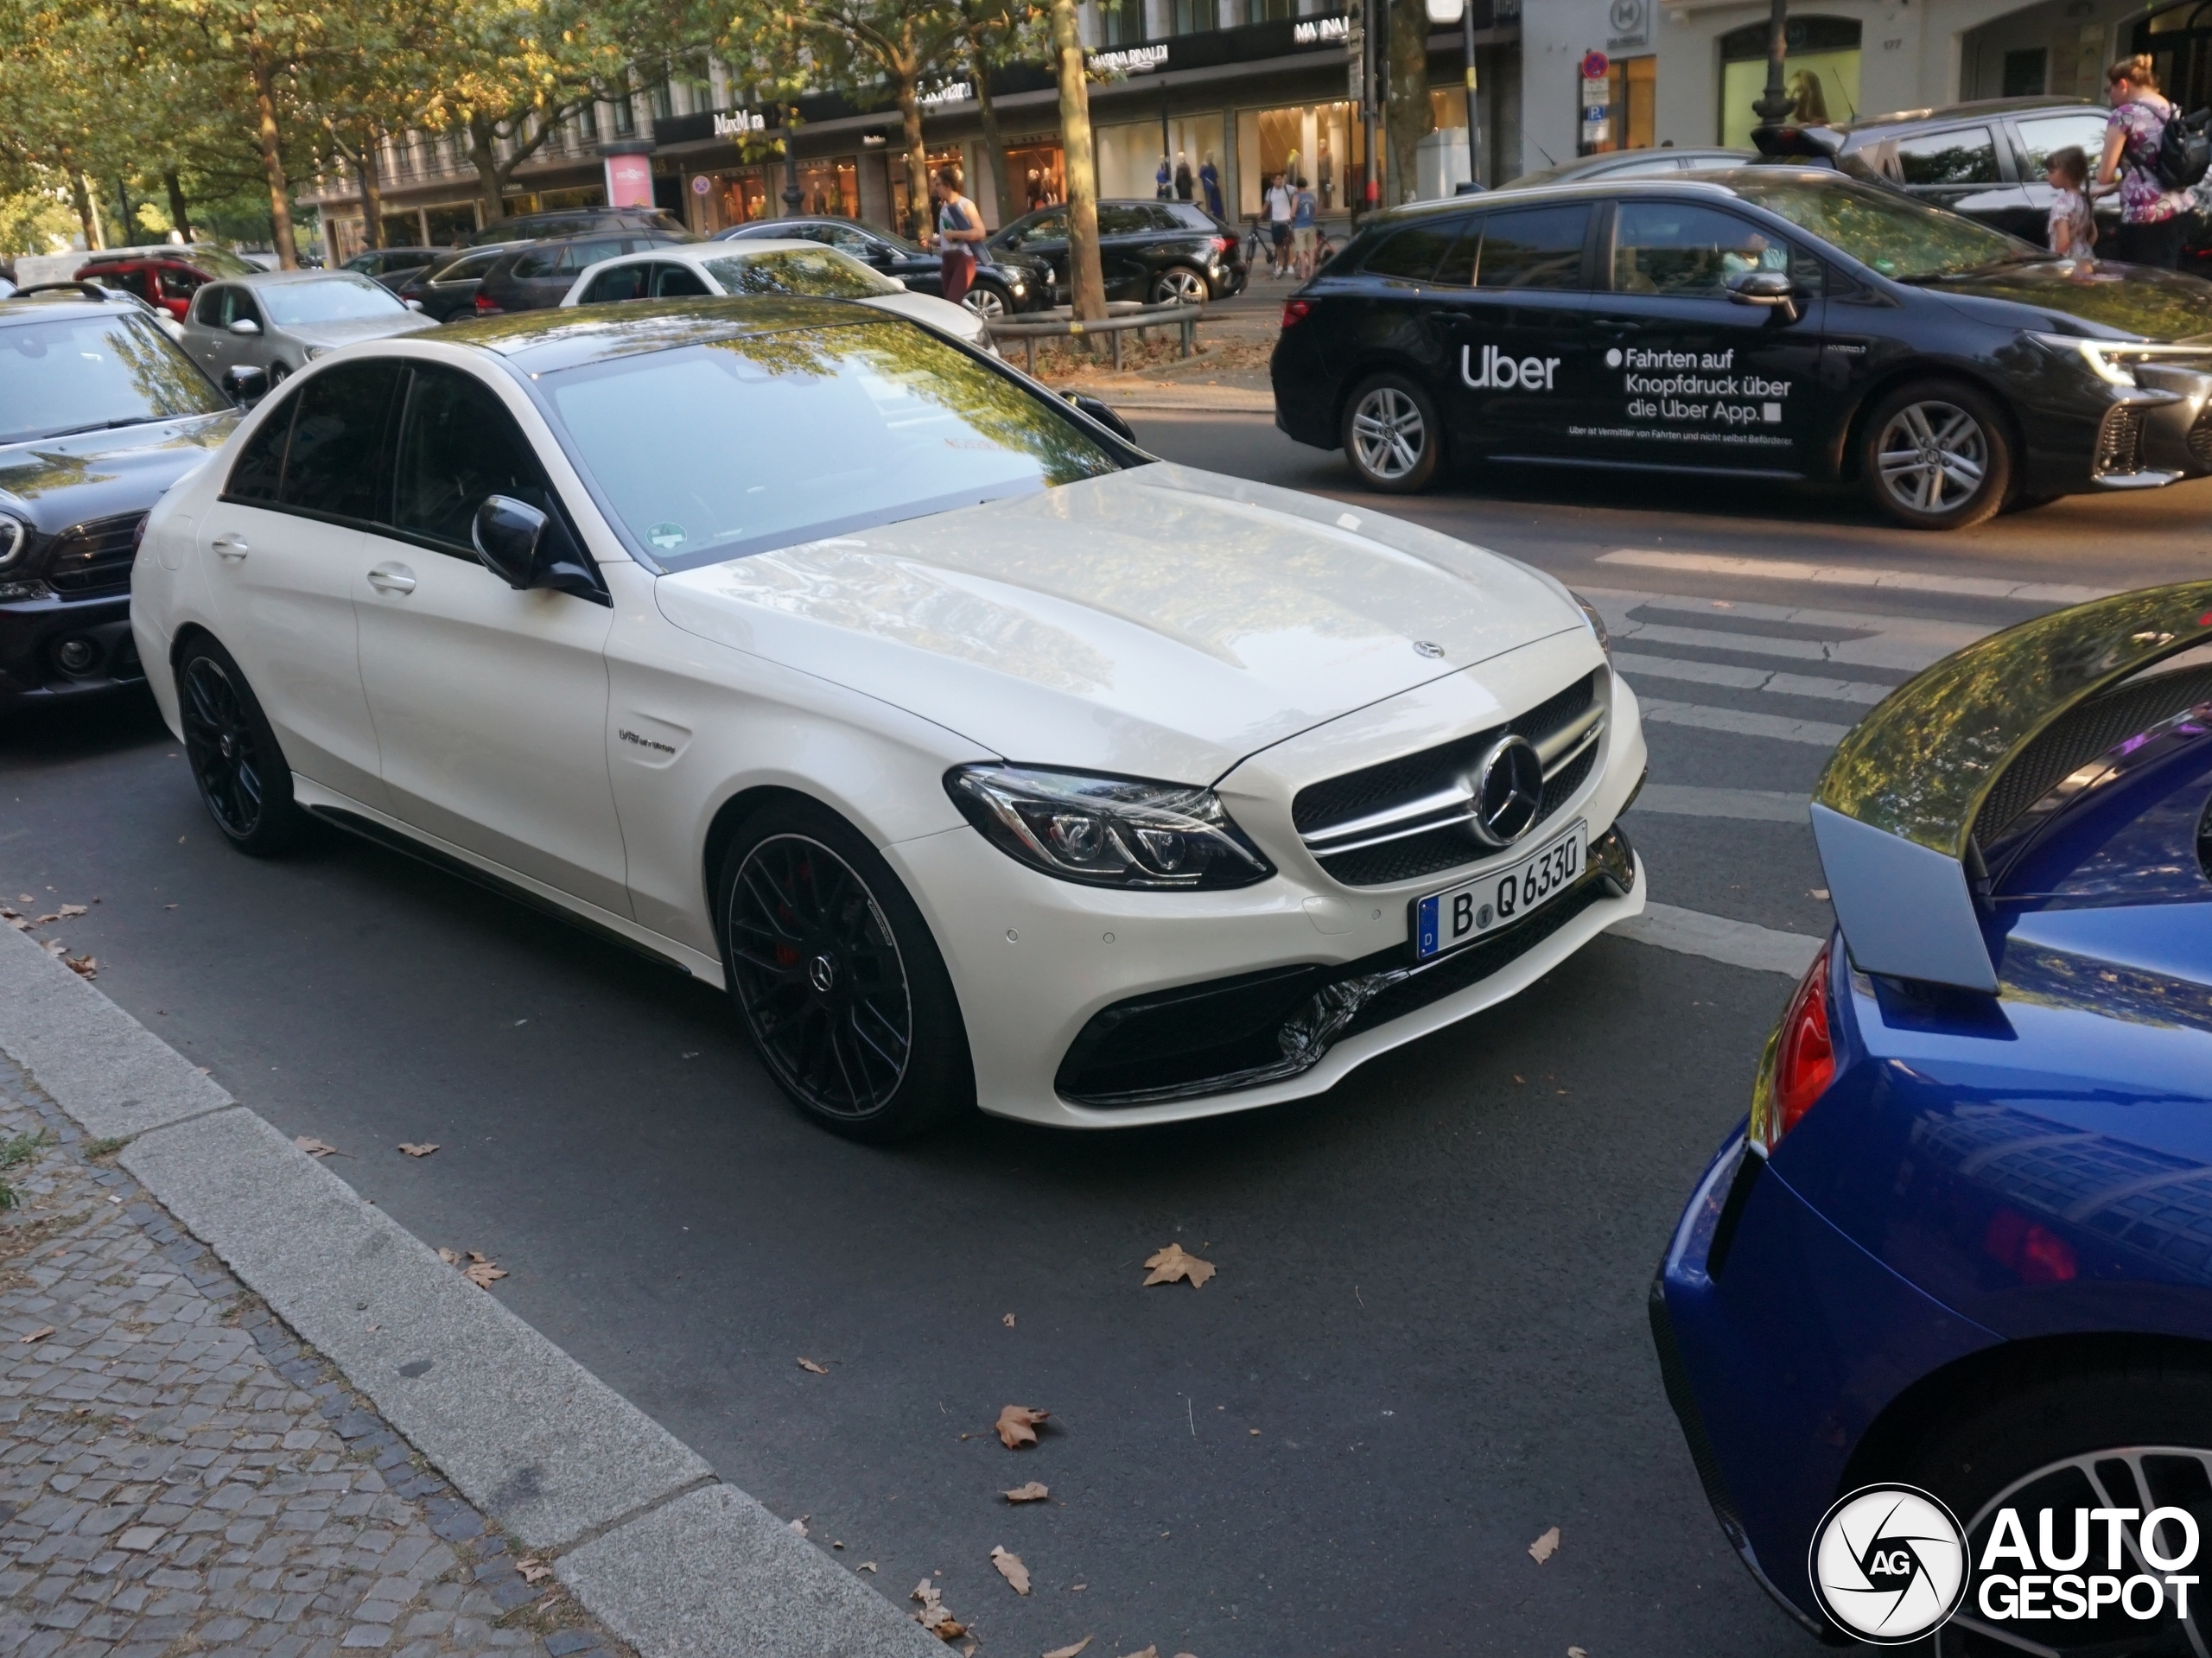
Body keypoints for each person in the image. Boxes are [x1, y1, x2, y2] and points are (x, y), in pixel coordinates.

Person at [2099, 54, 2190, 269]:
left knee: (2140, 284)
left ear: (2123, 84)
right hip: (2179, 205)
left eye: (2109, 89)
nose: (2110, 95)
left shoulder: (2124, 115)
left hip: (2144, 212)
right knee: (2167, 279)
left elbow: (2104, 176)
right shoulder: (2171, 107)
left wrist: (2110, 180)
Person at [934, 164, 985, 308]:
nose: (935, 188)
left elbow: (980, 232)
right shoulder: (944, 208)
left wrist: (955, 234)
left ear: (948, 185)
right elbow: (947, 238)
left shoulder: (966, 205)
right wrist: (933, 240)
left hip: (963, 259)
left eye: (938, 184)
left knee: (952, 305)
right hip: (947, 260)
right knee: (950, 305)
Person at [2046, 143, 2097, 275]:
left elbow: (2063, 242)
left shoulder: (2061, 203)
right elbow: (2093, 236)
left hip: (2068, 265)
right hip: (2087, 259)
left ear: (2068, 173)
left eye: (2051, 172)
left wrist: (2053, 265)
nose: (2047, 177)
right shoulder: (2085, 199)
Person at [1265, 171, 1294, 276]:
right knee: (1278, 245)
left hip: (1286, 221)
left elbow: (1297, 192)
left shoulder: (1287, 188)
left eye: (1281, 179)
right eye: (1277, 179)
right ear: (1273, 181)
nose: (1280, 181)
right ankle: (1281, 265)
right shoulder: (1270, 191)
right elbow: (1267, 204)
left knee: (1289, 243)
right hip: (1276, 222)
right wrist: (1259, 215)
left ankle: (1290, 265)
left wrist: (1294, 210)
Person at [1291, 175, 1319, 278]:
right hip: (1310, 225)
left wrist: (1292, 217)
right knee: (1311, 250)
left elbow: (1292, 213)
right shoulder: (1311, 197)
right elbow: (1316, 212)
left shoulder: (1296, 197)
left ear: (1297, 186)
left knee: (1301, 250)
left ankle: (1303, 273)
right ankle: (1311, 272)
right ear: (1306, 186)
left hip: (1299, 226)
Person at [1198, 152, 1223, 218]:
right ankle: (1210, 215)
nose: (1212, 157)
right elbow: (1200, 175)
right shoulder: (1204, 165)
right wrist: (1209, 180)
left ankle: (1217, 215)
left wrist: (1217, 183)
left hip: (1214, 186)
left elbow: (1216, 175)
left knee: (1216, 201)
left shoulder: (1212, 165)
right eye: (1211, 156)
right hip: (1208, 186)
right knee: (1209, 202)